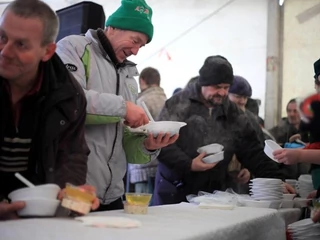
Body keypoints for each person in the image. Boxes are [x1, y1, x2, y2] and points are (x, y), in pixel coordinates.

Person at [56, 0, 178, 211]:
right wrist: (124, 108)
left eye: (142, 45)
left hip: (113, 196)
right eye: (135, 40)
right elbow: (68, 101)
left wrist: (148, 146)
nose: (136, 51)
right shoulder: (73, 47)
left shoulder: (129, 76)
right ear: (112, 28)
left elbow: (126, 144)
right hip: (74, 190)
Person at [0, 0, 99, 220]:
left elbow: (72, 154)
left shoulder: (69, 96)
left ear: (47, 51)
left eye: (21, 44)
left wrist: (70, 192)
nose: (5, 52)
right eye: (2, 37)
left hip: (32, 212)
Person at [153, 55, 293, 205]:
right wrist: (189, 164)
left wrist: (276, 180)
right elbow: (161, 143)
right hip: (174, 190)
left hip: (213, 194)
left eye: (226, 88)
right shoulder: (177, 104)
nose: (222, 93)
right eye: (217, 87)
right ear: (203, 83)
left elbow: (252, 150)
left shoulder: (232, 112)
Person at [128, 67, 167, 197]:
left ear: (142, 81)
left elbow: (132, 134)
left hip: (143, 165)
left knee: (141, 209)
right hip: (163, 164)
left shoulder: (140, 102)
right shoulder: (168, 101)